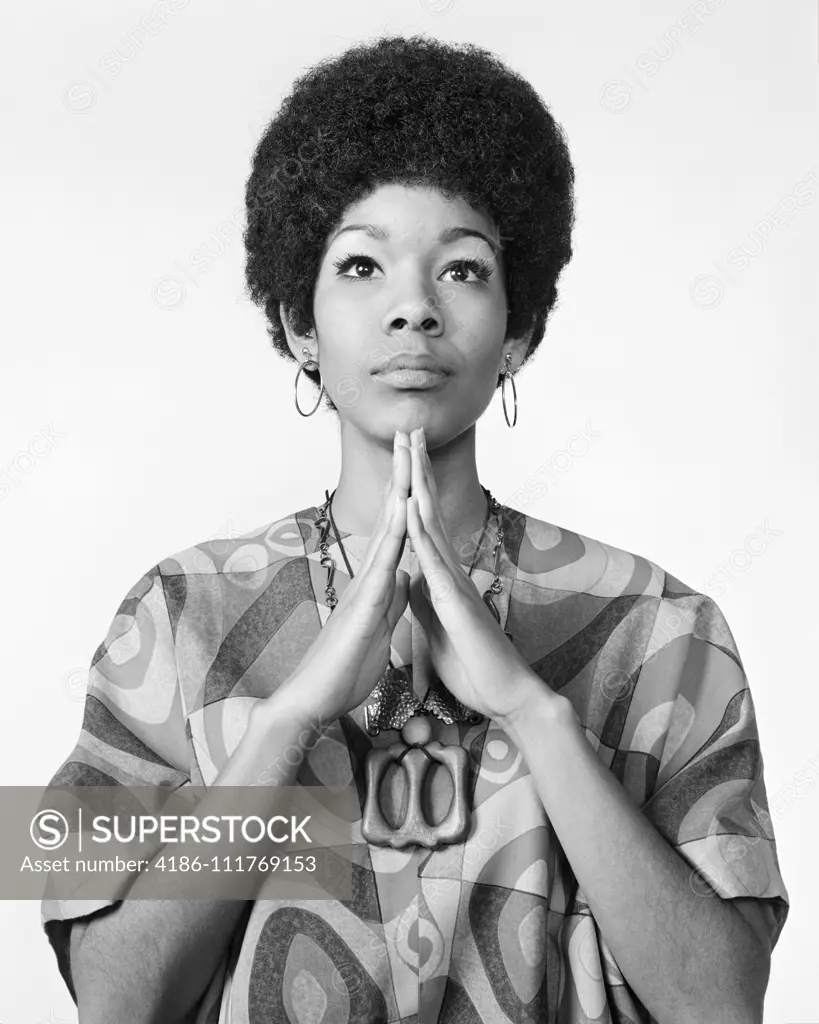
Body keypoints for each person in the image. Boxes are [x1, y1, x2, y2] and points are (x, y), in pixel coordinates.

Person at [41, 34, 789, 1024]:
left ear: (518, 329)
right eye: (360, 264)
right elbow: (109, 999)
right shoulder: (169, 615)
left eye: (464, 272)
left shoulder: (665, 629)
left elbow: (726, 1004)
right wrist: (286, 722)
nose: (412, 310)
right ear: (298, 322)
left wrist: (535, 712)